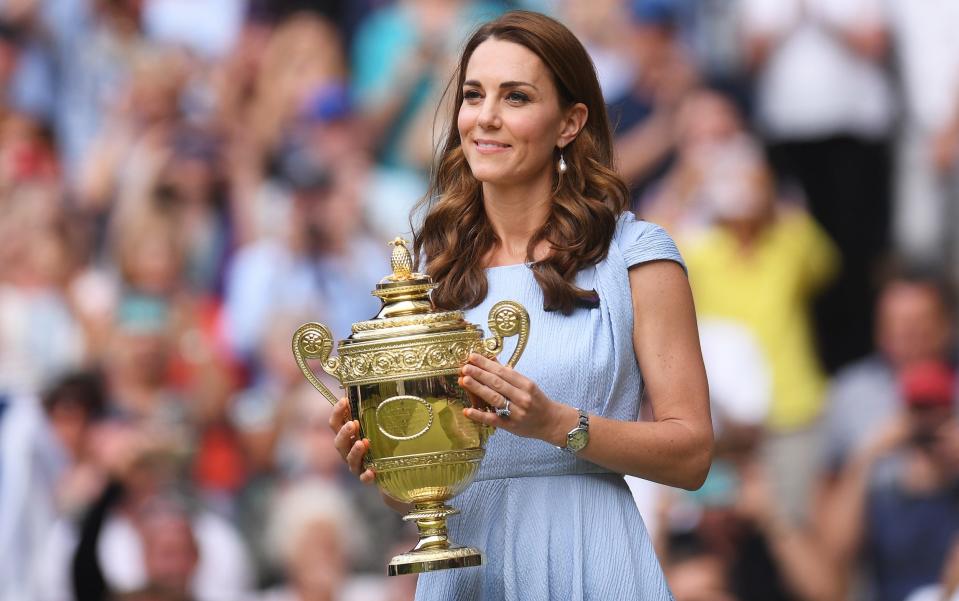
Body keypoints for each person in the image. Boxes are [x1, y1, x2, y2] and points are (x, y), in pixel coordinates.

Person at [328, 10, 713, 599]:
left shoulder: (636, 255)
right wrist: (382, 462)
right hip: (466, 572)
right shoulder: (430, 274)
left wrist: (557, 424)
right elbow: (416, 484)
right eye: (474, 95)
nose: (486, 117)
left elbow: (691, 453)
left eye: (516, 98)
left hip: (590, 557)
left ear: (569, 122)